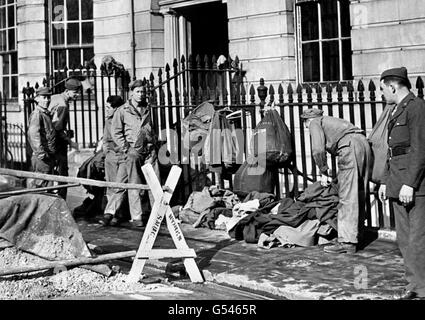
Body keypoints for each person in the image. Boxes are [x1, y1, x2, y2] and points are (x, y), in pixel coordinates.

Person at [378, 67, 425, 300]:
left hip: (413, 187)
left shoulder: (416, 108)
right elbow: (392, 152)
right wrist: (386, 181)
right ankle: (414, 286)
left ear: (392, 86)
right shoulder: (396, 110)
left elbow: (420, 149)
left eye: (383, 89)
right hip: (398, 182)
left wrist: (410, 184)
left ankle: (421, 288)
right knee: (405, 240)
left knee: (417, 240)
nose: (382, 94)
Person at [301, 108, 371, 254]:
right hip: (363, 145)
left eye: (305, 125)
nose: (307, 128)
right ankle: (358, 234)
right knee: (359, 192)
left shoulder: (314, 122)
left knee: (347, 195)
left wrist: (323, 170)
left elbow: (318, 149)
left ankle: (347, 241)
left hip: (349, 148)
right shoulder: (332, 121)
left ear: (307, 120)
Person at [100, 80, 158, 227]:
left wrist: (154, 144)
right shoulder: (123, 111)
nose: (141, 95)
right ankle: (137, 216)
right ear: (131, 92)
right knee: (134, 183)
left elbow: (154, 128)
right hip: (132, 151)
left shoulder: (149, 108)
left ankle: (157, 213)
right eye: (138, 92)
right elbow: (116, 132)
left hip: (149, 150)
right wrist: (127, 148)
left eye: (143, 92)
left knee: (153, 182)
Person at [48, 77, 81, 199]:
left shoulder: (56, 97)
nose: (77, 95)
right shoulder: (63, 105)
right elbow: (58, 128)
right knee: (62, 173)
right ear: (67, 91)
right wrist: (71, 142)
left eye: (78, 92)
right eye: (75, 92)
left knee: (50, 172)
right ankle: (61, 201)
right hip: (56, 142)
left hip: (49, 140)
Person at [98, 95, 125, 226]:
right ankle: (117, 213)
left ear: (117, 109)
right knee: (111, 185)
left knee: (120, 185)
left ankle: (109, 213)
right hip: (111, 156)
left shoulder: (125, 119)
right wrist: (106, 152)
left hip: (123, 155)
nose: (106, 110)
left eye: (109, 108)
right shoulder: (108, 120)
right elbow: (105, 138)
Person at [27, 87, 56, 188]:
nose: (47, 100)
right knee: (40, 186)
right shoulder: (37, 114)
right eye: (44, 97)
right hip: (42, 158)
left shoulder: (45, 113)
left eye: (48, 97)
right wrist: (41, 154)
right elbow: (33, 134)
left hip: (48, 156)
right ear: (37, 99)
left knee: (47, 186)